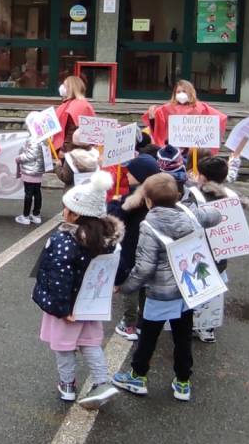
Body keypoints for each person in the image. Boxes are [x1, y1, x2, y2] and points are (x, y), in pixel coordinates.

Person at [112, 173, 217, 402]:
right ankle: (182, 381)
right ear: (178, 196)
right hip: (188, 289)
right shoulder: (191, 215)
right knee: (183, 337)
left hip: (160, 293)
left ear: (147, 200)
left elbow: (144, 267)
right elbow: (216, 215)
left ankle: (138, 376)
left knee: (148, 336)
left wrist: (126, 286)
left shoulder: (149, 225)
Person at [32, 171, 123, 409]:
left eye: (67, 208)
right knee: (90, 344)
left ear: (76, 214)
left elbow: (59, 277)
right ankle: (102, 382)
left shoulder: (65, 241)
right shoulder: (108, 240)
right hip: (92, 304)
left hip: (68, 307)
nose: (64, 212)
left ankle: (68, 385)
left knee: (64, 347)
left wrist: (62, 309)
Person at [182, 154, 249, 343]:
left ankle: (191, 325)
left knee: (196, 288)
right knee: (214, 287)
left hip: (197, 250)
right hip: (221, 250)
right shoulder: (232, 196)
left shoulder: (195, 195)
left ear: (202, 176)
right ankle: (208, 328)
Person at [109, 154, 162, 342]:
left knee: (129, 286)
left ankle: (129, 323)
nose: (127, 174)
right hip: (150, 251)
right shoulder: (158, 196)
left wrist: (115, 203)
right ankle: (142, 322)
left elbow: (115, 220)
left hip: (132, 249)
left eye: (131, 172)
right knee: (145, 287)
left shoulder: (133, 199)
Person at [143, 79, 227, 148]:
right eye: (178, 92)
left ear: (190, 92)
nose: (181, 94)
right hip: (173, 147)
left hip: (194, 148)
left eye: (184, 91)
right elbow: (157, 126)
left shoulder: (200, 107)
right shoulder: (167, 108)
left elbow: (218, 118)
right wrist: (152, 115)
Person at [15, 122, 49, 226]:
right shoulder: (44, 138)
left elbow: (30, 155)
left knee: (28, 193)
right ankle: (36, 214)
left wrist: (19, 158)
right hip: (38, 170)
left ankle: (25, 216)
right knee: (37, 192)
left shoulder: (33, 139)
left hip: (30, 170)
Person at [52, 75, 95, 152]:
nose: (62, 87)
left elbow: (72, 130)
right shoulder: (76, 103)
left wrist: (63, 149)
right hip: (74, 149)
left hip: (72, 150)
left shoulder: (77, 106)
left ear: (71, 88)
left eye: (65, 85)